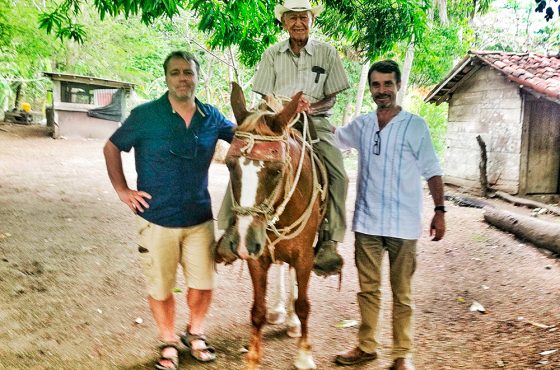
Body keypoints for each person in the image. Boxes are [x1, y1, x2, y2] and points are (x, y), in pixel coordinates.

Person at [103, 51, 235, 370]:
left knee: (203, 284)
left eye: (188, 72)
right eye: (175, 72)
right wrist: (123, 191)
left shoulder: (211, 116)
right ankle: (168, 340)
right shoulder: (145, 115)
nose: (182, 78)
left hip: (200, 219)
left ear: (197, 77)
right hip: (156, 218)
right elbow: (111, 146)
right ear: (166, 78)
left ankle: (196, 332)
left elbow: (243, 139)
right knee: (160, 287)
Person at [217, 0, 350, 276]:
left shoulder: (326, 53)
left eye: (303, 17)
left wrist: (311, 108)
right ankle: (231, 229)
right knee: (243, 157)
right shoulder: (272, 54)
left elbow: (332, 95)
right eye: (292, 18)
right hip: (275, 119)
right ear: (284, 22)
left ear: (312, 20)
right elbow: (264, 93)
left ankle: (329, 240)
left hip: (315, 120)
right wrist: (278, 109)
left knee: (339, 175)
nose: (298, 23)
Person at [333, 60, 446, 370]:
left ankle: (401, 355)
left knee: (402, 294)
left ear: (398, 86)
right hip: (367, 223)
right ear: (370, 88)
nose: (382, 90)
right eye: (376, 85)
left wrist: (440, 210)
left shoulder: (415, 125)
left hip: (404, 226)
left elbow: (432, 170)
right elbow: (335, 138)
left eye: (387, 84)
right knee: (368, 291)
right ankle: (367, 347)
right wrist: (307, 114)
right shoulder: (363, 124)